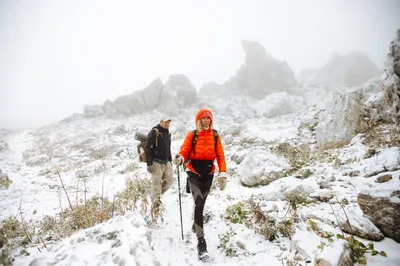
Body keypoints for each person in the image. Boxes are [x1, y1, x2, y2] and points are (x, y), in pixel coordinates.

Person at [173, 109, 227, 260]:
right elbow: (184, 151)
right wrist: (181, 159)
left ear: (211, 120)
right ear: (198, 120)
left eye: (208, 118)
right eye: (203, 118)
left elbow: (221, 156)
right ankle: (201, 243)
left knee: (201, 205)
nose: (206, 120)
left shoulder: (215, 136)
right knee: (198, 203)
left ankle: (196, 224)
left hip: (208, 174)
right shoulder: (192, 135)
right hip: (194, 173)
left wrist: (223, 173)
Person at [145, 117, 173, 221]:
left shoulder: (167, 132)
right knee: (156, 187)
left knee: (169, 181)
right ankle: (155, 213)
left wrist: (170, 160)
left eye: (168, 122)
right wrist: (149, 163)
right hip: (156, 162)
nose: (167, 124)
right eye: (165, 122)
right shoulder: (154, 132)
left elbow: (168, 147)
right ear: (160, 122)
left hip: (166, 162)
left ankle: (155, 195)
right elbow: (148, 147)